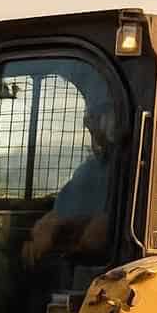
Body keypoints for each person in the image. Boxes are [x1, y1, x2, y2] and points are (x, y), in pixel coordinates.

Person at [22, 99, 118, 269]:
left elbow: (98, 234)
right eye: (88, 119)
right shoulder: (91, 169)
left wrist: (62, 225)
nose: (90, 125)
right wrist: (49, 225)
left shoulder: (130, 171)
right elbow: (57, 214)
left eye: (95, 117)